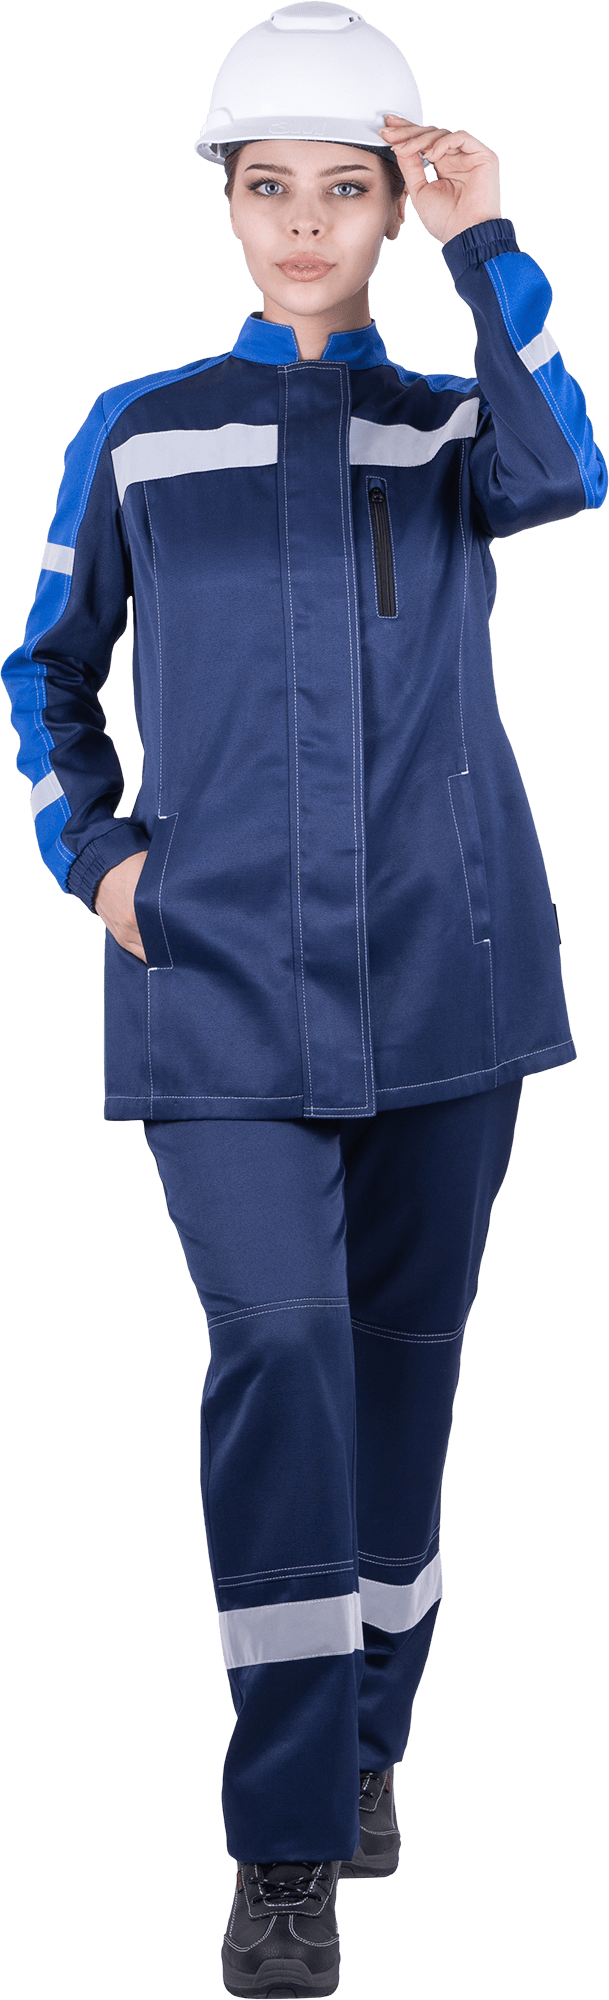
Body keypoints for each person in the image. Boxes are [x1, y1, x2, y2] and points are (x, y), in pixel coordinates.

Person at [2, 7, 606, 1994]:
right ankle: (281, 1842)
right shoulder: (139, 427)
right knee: (279, 1367)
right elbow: (44, 669)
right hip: (220, 993)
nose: (304, 223)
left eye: (345, 191)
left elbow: (569, 470)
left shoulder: (447, 425)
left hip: (449, 982)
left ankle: (367, 1744)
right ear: (227, 201)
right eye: (270, 188)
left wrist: (483, 238)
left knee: (402, 1397)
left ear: (384, 209)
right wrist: (100, 860)